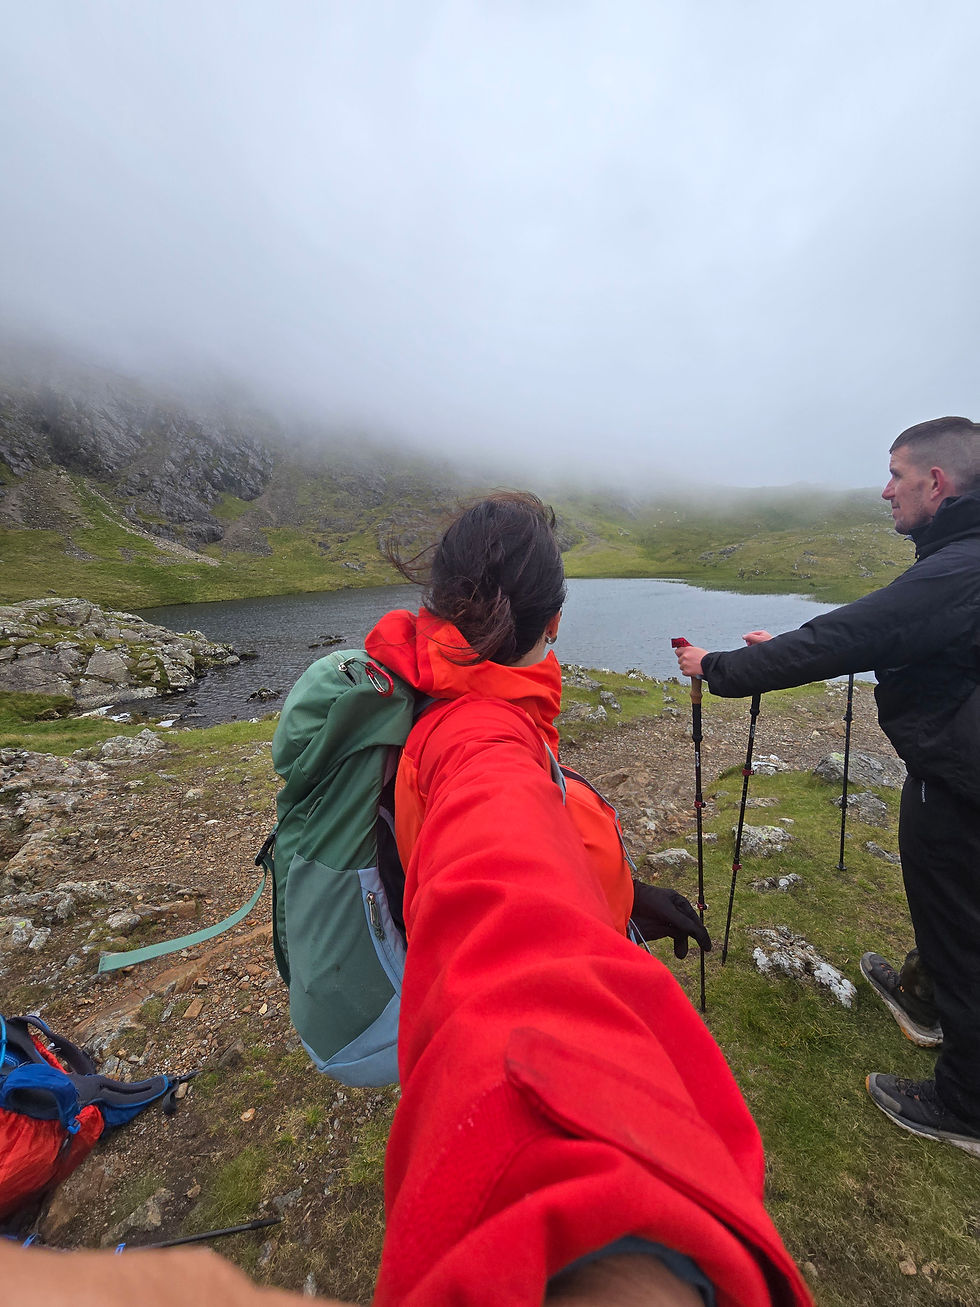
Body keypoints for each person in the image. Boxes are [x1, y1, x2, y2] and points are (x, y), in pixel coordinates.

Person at [366, 493, 812, 1305]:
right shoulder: (479, 738)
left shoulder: (463, 693)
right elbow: (504, 895)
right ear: (558, 620)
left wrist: (631, 896)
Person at [674, 417, 980, 1157]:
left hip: (962, 783)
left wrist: (717, 668)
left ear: (935, 483)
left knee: (963, 926)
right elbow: (898, 634)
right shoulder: (958, 559)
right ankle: (926, 996)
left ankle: (965, 1103)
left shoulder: (959, 567)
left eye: (896, 475)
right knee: (950, 910)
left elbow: (853, 634)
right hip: (955, 767)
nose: (885, 490)